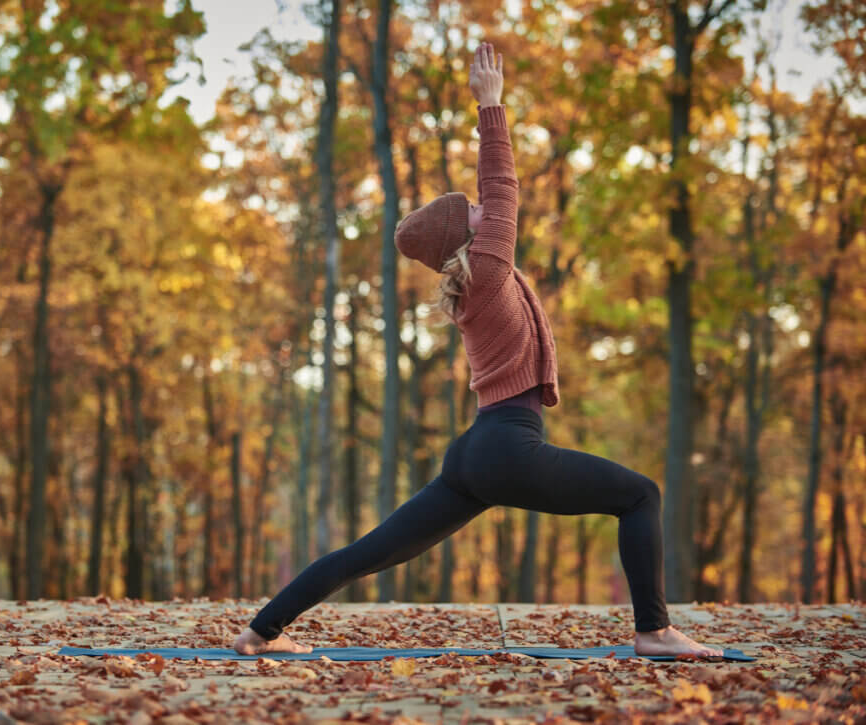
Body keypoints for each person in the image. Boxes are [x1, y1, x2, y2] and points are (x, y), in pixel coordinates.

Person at [233, 42, 723, 659]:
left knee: (370, 552)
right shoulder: (487, 274)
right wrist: (490, 108)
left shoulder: (481, 284)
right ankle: (654, 632)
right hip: (505, 448)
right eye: (474, 211)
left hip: (476, 453)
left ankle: (258, 633)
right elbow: (504, 188)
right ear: (467, 235)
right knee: (640, 494)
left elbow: (497, 204)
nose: (484, 207)